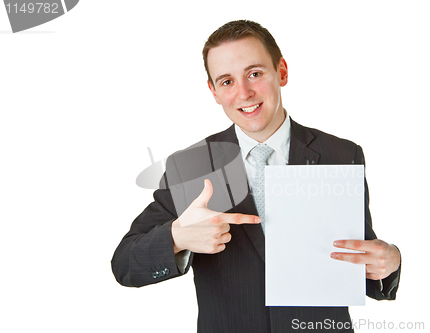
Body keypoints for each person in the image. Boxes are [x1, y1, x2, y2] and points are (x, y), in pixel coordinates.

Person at [111, 20, 401, 332]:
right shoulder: (192, 166)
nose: (244, 93)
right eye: (226, 82)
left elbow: (361, 256)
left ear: (282, 71)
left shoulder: (342, 154)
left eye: (255, 73)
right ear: (213, 91)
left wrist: (390, 262)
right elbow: (125, 265)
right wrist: (177, 237)